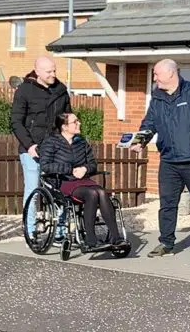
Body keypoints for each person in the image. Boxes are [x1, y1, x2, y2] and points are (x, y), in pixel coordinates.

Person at [131, 59, 190, 259]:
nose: (154, 78)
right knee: (167, 204)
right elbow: (149, 123)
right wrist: (140, 141)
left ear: (170, 74)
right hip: (169, 161)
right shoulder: (157, 98)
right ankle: (166, 243)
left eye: (156, 74)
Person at [40, 113, 128, 251]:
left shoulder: (81, 142)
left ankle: (116, 238)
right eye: (75, 122)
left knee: (101, 192)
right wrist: (70, 169)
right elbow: (45, 165)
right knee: (92, 194)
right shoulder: (51, 142)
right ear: (64, 126)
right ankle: (90, 239)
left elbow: (92, 164)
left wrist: (84, 168)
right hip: (63, 181)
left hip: (83, 179)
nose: (79, 123)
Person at [11, 56, 71, 236]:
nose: (53, 74)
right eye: (49, 72)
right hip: (32, 149)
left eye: (54, 71)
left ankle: (60, 231)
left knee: (60, 189)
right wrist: (29, 146)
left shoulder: (61, 91)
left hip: (56, 148)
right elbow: (16, 122)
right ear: (37, 72)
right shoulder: (24, 91)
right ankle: (30, 230)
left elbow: (67, 119)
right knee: (33, 190)